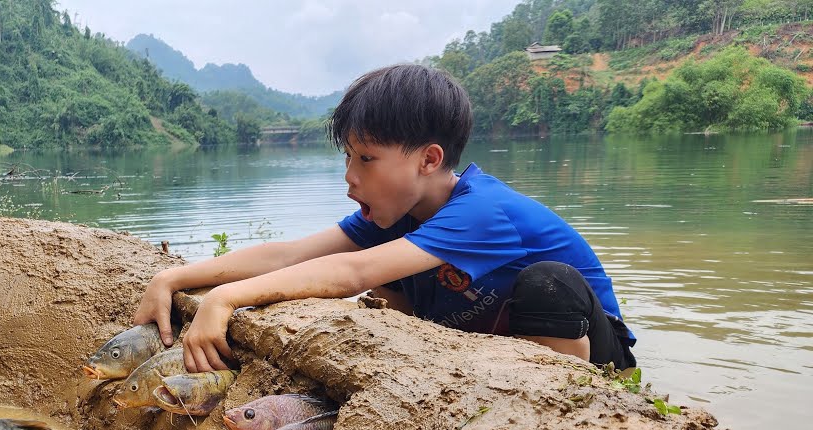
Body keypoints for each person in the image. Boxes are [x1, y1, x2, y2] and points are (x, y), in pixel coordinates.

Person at [133, 63, 637, 373]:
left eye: (366, 159)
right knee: (388, 293)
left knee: (549, 283)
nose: (350, 178)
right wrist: (173, 276)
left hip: (593, 350)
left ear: (429, 160)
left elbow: (352, 273)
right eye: (348, 158)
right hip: (488, 342)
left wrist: (225, 298)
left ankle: (559, 397)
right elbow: (290, 255)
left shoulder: (482, 211)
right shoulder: (393, 214)